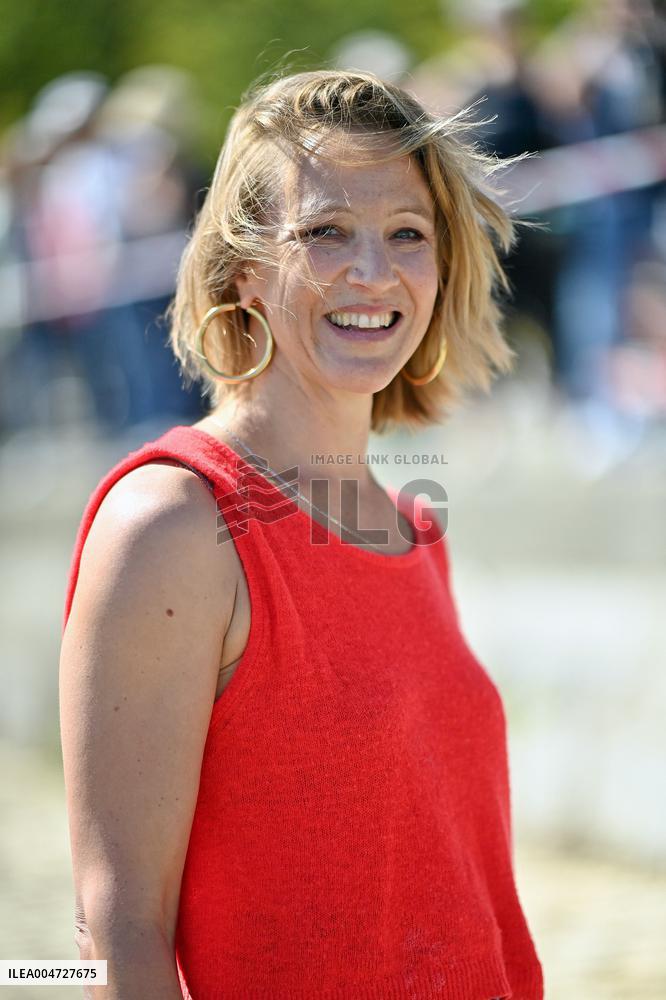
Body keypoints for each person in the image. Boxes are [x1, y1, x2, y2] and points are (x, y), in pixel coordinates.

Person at [59, 69, 544, 999]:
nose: (373, 271)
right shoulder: (173, 523)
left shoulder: (415, 530)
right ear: (245, 268)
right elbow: (117, 932)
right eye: (325, 232)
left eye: (408, 233)